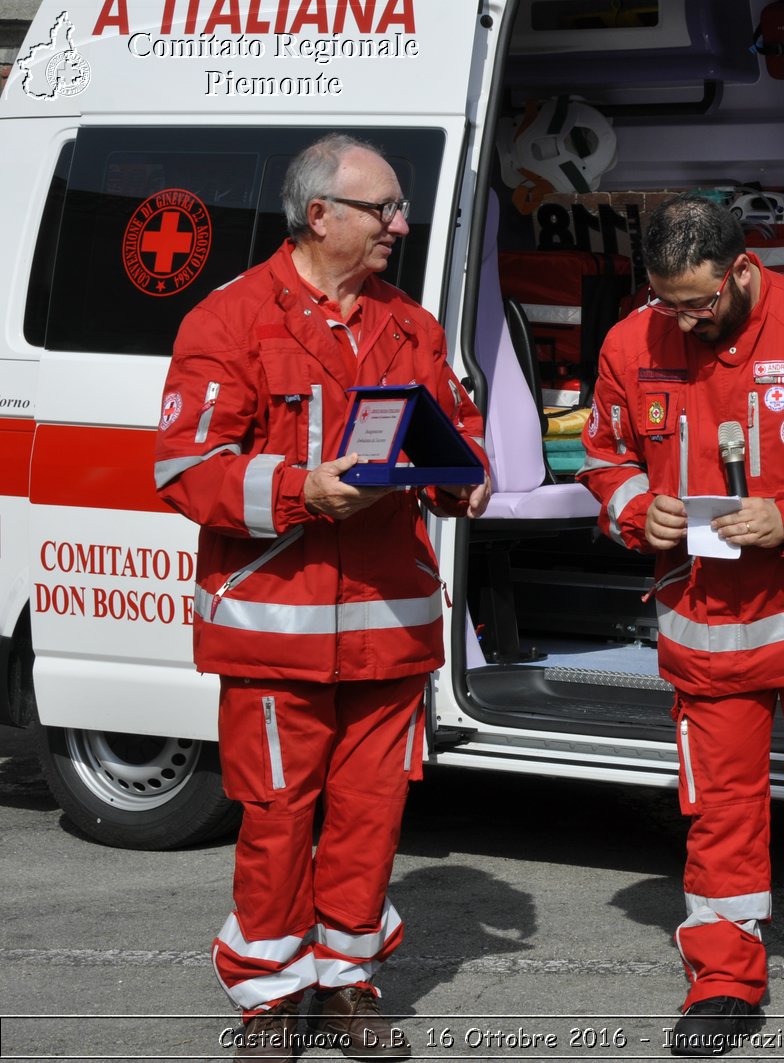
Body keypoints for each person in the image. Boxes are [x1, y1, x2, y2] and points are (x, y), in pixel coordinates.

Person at [153, 133, 490, 1062]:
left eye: (397, 208)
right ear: (320, 216)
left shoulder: (410, 324)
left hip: (390, 630)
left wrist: (466, 477)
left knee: (369, 819)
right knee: (275, 818)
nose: (400, 223)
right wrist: (308, 489)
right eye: (383, 208)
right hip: (273, 633)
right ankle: (269, 997)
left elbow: (459, 432)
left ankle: (346, 986)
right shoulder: (229, 320)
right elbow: (188, 471)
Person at [578, 194, 784, 1056]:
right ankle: (725, 981)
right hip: (703, 629)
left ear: (741, 269)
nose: (683, 319)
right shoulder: (631, 341)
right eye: (666, 301)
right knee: (720, 813)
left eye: (697, 301)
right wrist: (634, 508)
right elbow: (601, 455)